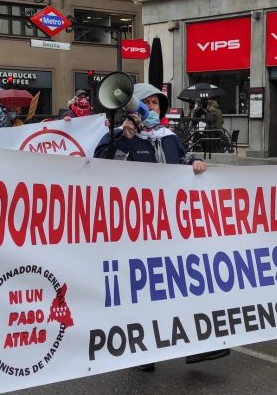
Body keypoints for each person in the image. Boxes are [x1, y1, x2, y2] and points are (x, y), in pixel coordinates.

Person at [95, 82, 230, 371]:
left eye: (157, 103)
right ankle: (141, 352)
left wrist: (195, 163)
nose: (153, 108)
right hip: (135, 232)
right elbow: (99, 170)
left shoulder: (168, 138)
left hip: (172, 230)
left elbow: (181, 160)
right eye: (148, 102)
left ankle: (199, 346)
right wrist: (122, 141)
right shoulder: (119, 138)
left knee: (185, 286)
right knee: (141, 293)